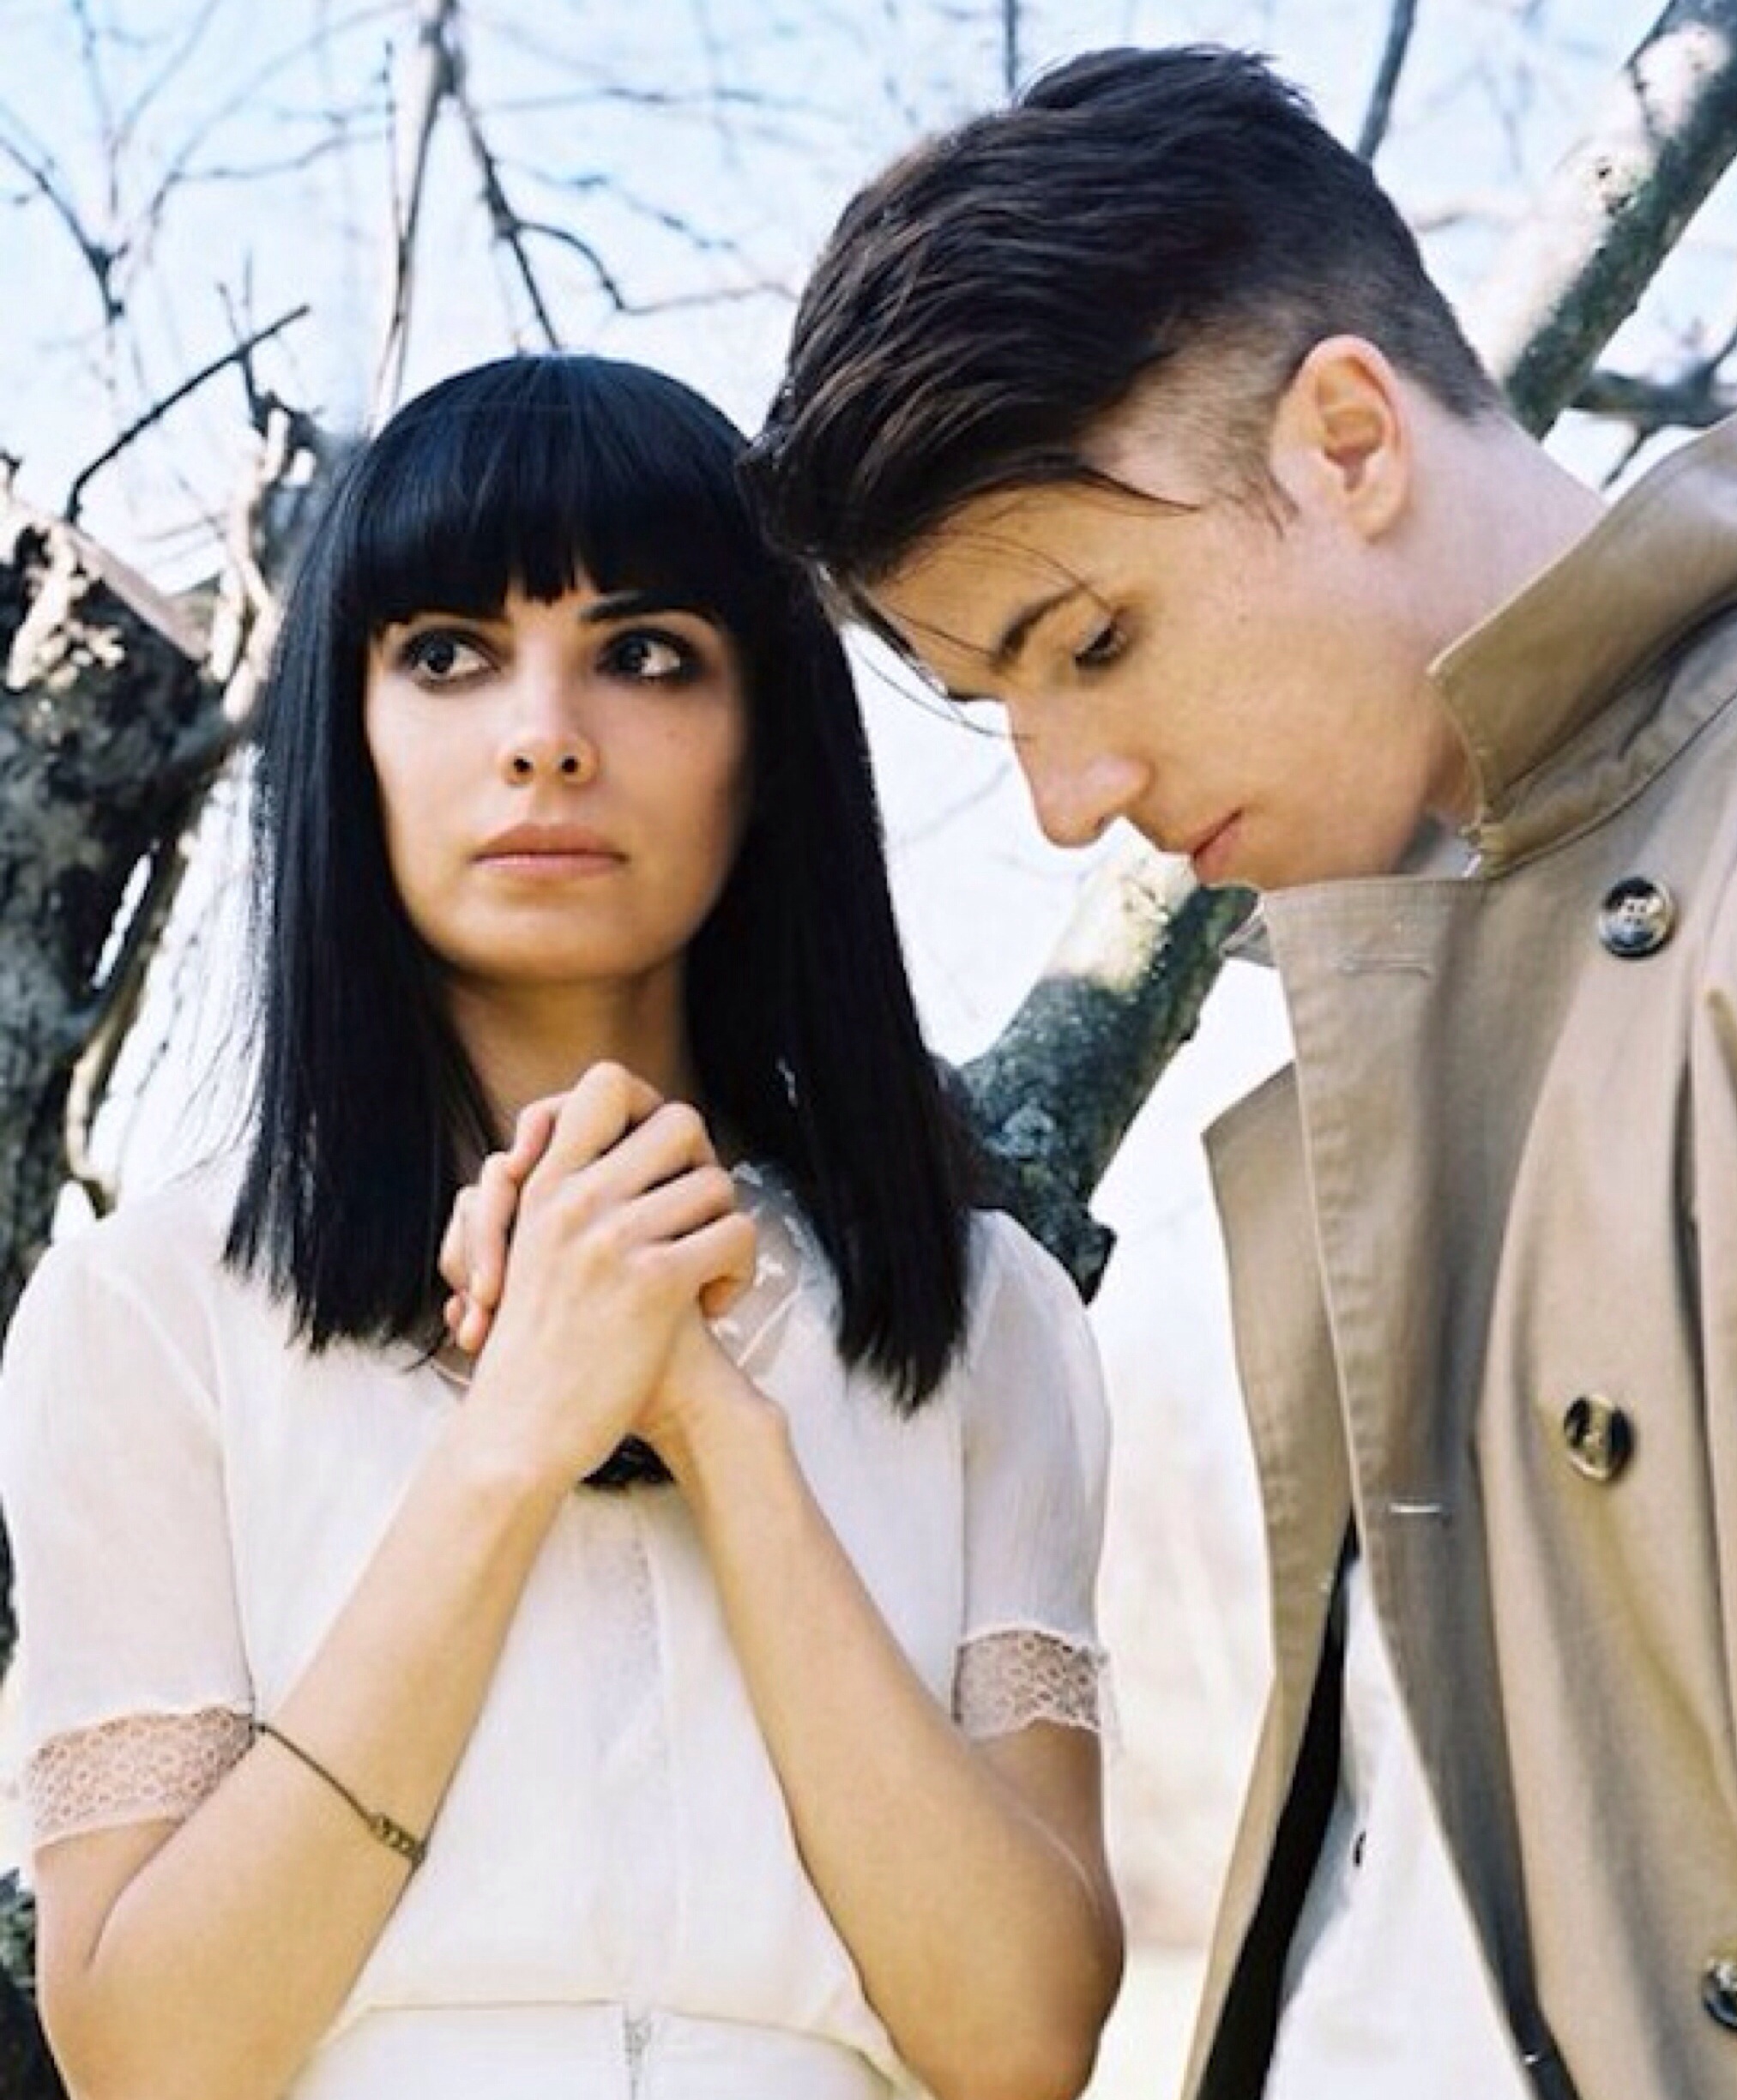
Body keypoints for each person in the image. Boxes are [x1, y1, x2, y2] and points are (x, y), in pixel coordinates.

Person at [733, 43, 1737, 2100]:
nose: (1064, 796)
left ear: (1350, 434)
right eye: (988, 702)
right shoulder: (1395, 1001)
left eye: (1091, 642)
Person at [0, 352, 1123, 2100]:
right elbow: (152, 2056)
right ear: (345, 737)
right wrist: (514, 1441)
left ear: (770, 743)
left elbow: (1021, 2042)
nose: (545, 732)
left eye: (648, 652)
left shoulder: (980, 1314)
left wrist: (722, 1435)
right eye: (446, 653)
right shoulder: (146, 1314)